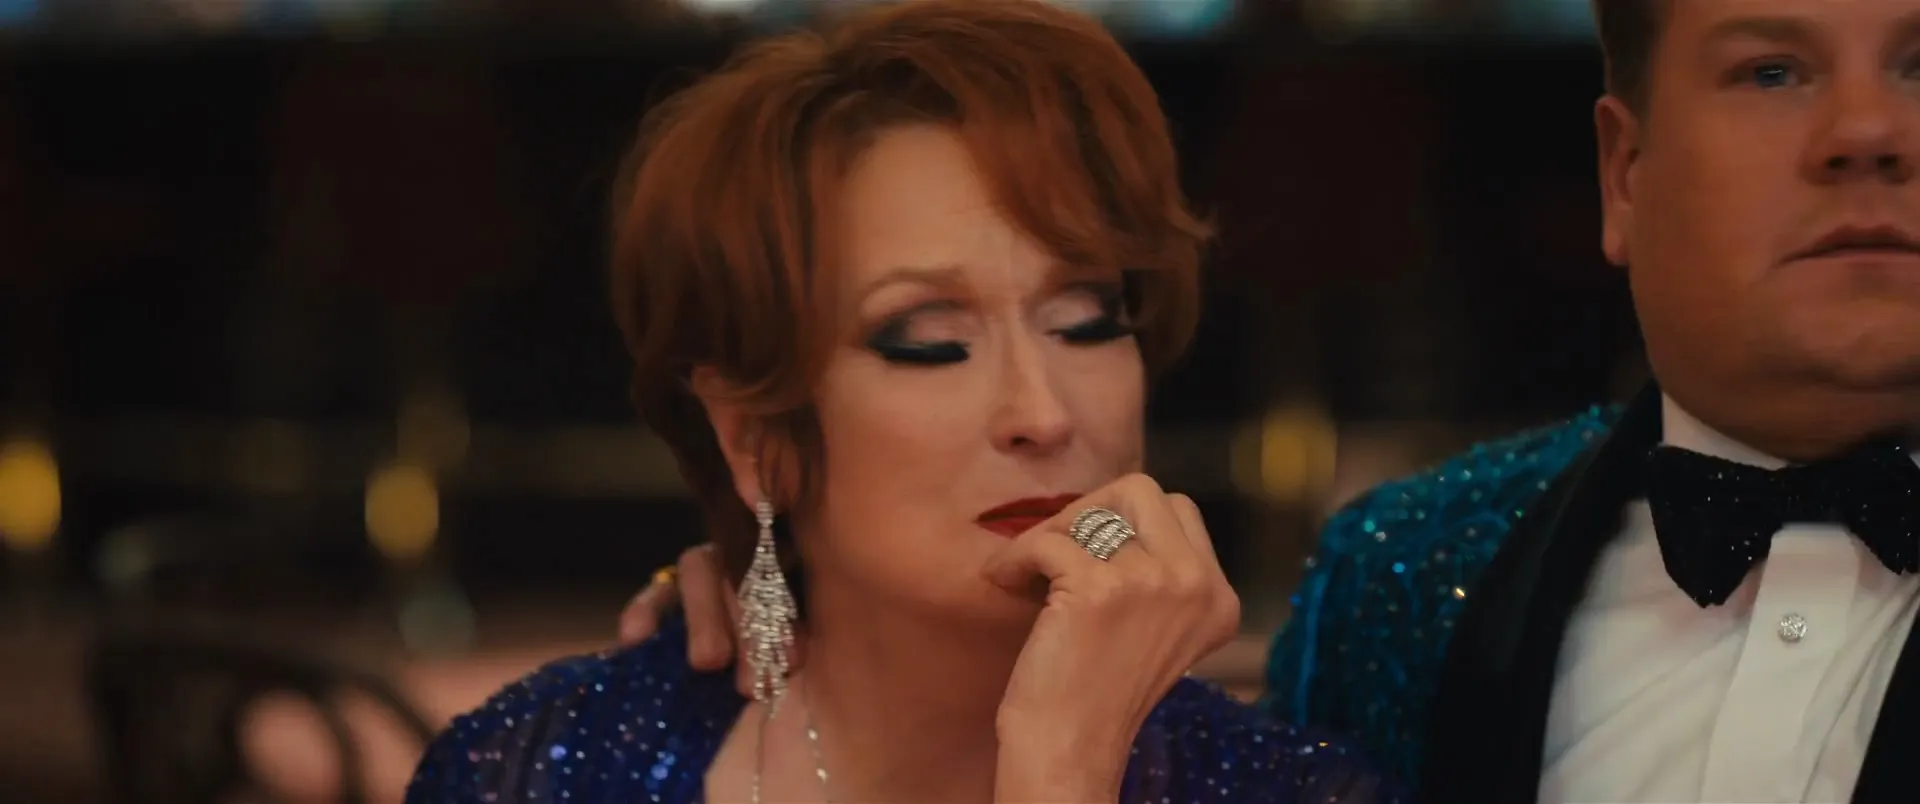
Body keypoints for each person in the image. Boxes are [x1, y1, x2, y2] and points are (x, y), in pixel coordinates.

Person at [622, 0, 1920, 801]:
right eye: (1772, 70)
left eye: (1087, 321)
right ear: (1623, 170)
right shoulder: (1411, 565)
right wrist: (771, 571)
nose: (1867, 132)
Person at [404, 2, 1409, 802]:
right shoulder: (535, 771)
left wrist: (1063, 767)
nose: (1043, 413)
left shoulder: (1291, 789)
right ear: (753, 435)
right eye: (930, 343)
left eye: (1085, 322)